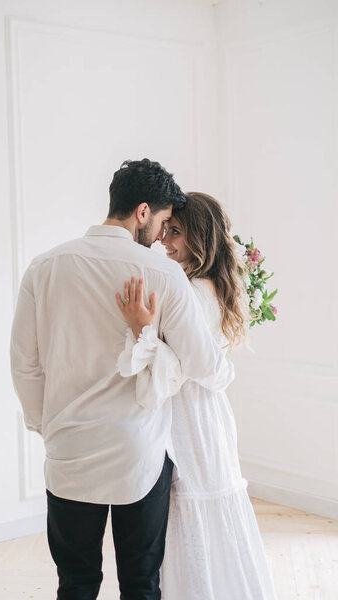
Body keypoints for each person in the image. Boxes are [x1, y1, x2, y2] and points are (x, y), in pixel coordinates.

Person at [10, 160, 235, 600]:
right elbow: (205, 367)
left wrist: (47, 426)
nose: (162, 235)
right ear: (144, 212)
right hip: (141, 454)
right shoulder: (163, 275)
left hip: (68, 450)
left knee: (75, 582)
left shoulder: (44, 266)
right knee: (140, 583)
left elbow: (24, 364)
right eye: (165, 222)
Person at [116, 192, 277, 599]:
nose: (164, 240)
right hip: (200, 413)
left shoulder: (194, 291)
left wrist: (143, 330)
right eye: (164, 229)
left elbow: (182, 366)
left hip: (191, 417)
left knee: (190, 510)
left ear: (200, 238)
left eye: (176, 232)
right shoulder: (204, 285)